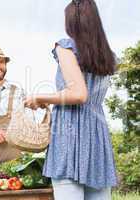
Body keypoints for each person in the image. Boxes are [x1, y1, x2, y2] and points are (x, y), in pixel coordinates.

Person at [24, 0, 117, 199]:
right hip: (96, 135)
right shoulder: (107, 56)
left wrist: (40, 97)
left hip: (70, 134)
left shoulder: (66, 46)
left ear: (72, 23)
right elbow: (86, 95)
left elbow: (78, 94)